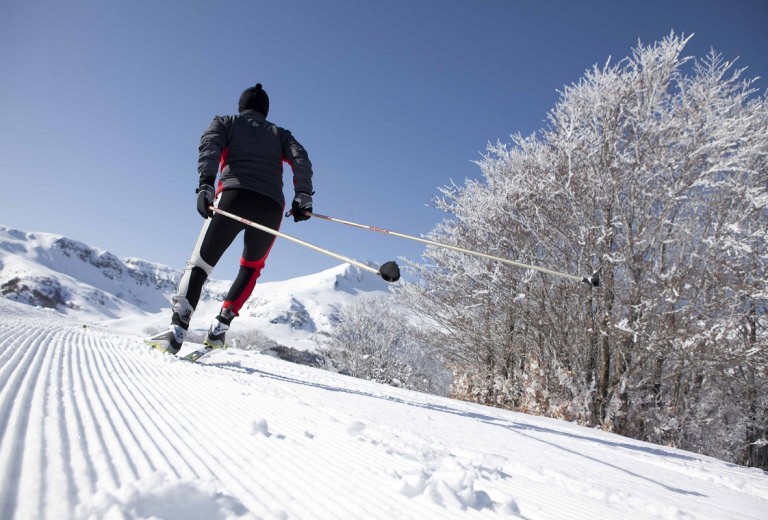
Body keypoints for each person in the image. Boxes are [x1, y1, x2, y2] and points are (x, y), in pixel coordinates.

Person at [145, 83, 314, 354]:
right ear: (265, 111)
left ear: (241, 105)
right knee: (251, 267)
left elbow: (210, 146)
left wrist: (206, 185)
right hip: (270, 206)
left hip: (233, 197)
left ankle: (177, 330)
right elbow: (300, 158)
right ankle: (219, 329)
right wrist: (303, 195)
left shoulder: (225, 122)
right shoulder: (282, 135)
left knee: (199, 265)